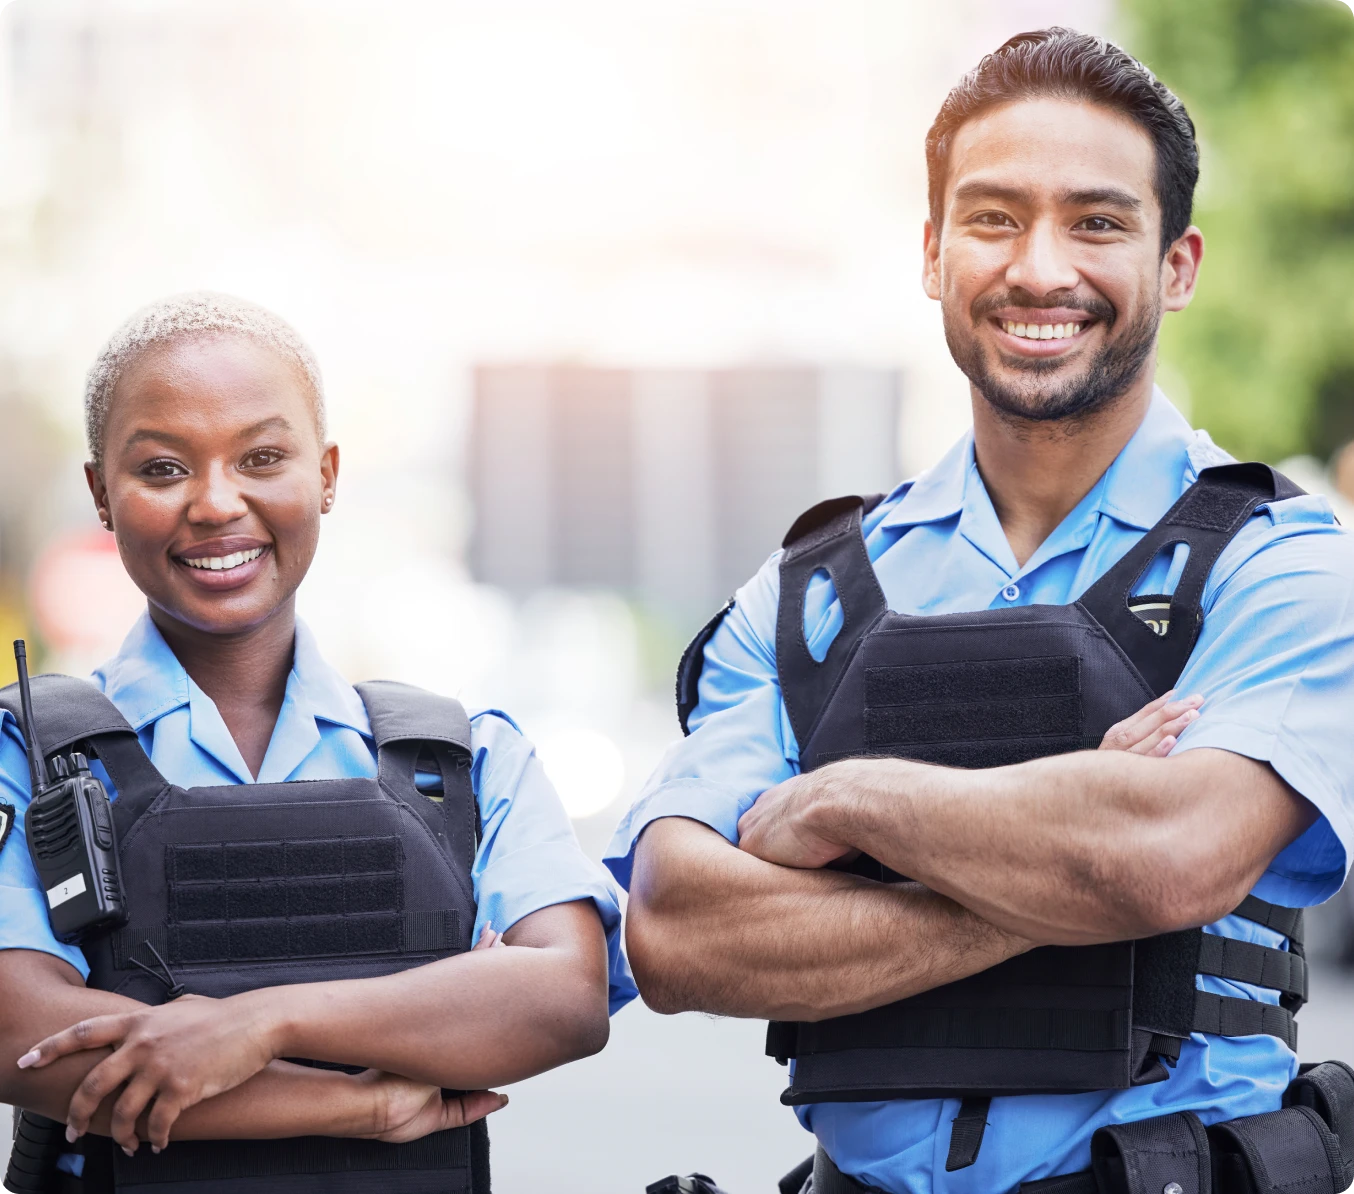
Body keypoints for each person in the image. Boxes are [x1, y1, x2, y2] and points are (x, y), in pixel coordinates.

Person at [608, 29, 1354, 1194]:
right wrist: (1068, 857)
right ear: (932, 252)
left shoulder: (1284, 566)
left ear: (1176, 266)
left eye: (1097, 223)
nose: (1040, 269)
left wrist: (849, 798)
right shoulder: (809, 592)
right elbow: (675, 931)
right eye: (994, 218)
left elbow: (1168, 853)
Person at [0, 292, 636, 1193]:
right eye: (163, 468)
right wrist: (360, 1105)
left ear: (328, 474)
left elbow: (564, 999)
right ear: (102, 494)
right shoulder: (24, 754)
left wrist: (264, 1023)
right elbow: (21, 1037)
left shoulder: (464, 758)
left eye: (262, 457)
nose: (217, 503)